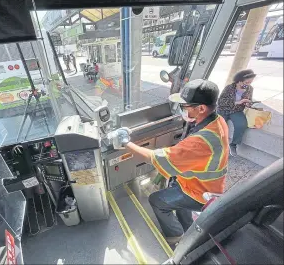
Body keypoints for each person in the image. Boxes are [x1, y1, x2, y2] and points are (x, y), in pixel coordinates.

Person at [109, 79, 229, 245]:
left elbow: (154, 158)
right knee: (179, 203)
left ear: (201, 108)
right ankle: (188, 229)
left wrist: (124, 142)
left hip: (200, 192)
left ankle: (175, 237)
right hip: (204, 184)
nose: (182, 110)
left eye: (184, 107)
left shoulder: (200, 142)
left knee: (157, 201)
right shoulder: (217, 121)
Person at [217, 69, 256, 156]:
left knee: (241, 125)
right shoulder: (229, 87)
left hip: (236, 111)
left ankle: (233, 145)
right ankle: (220, 145)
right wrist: (237, 102)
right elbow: (220, 101)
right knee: (221, 126)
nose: (248, 84)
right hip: (223, 109)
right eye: (247, 82)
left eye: (250, 82)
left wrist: (248, 103)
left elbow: (249, 100)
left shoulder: (250, 89)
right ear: (240, 80)